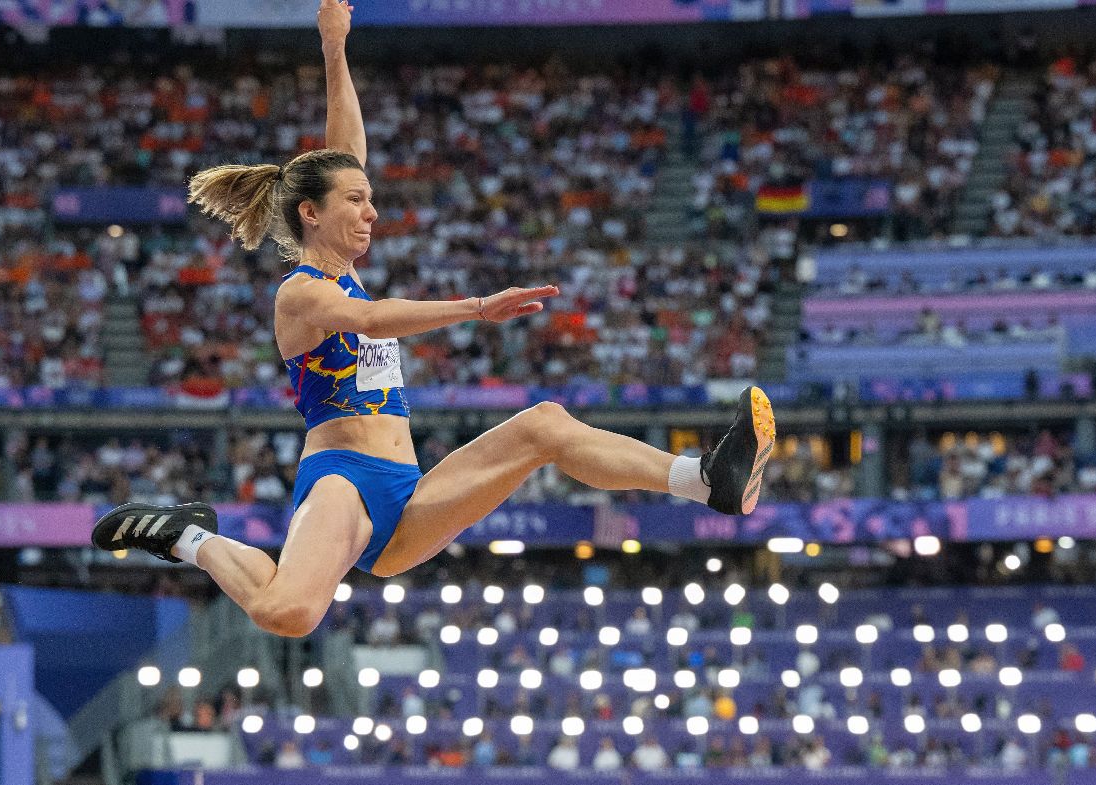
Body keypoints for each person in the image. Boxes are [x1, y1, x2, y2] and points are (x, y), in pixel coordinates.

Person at [90, 0, 776, 639]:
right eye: (356, 201)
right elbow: (375, 318)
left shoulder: (344, 259)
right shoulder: (301, 294)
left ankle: (702, 479)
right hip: (344, 480)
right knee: (289, 612)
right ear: (311, 213)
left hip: (405, 491)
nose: (372, 211)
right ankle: (189, 536)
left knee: (544, 424)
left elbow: (345, 142)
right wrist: (476, 307)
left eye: (371, 199)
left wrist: (334, 46)